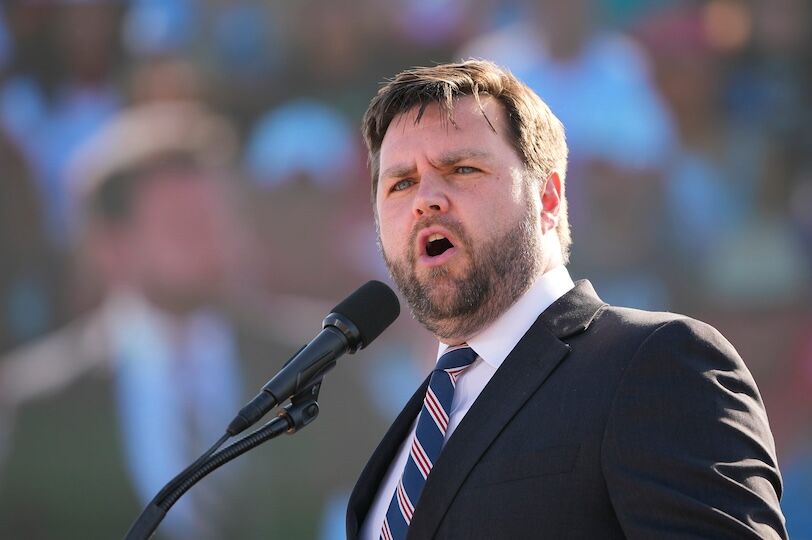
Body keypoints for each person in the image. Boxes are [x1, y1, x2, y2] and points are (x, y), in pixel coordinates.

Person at [346, 60, 787, 539]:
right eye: (401, 183)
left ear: (549, 199)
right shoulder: (411, 432)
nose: (425, 198)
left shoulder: (656, 363)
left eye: (462, 168)